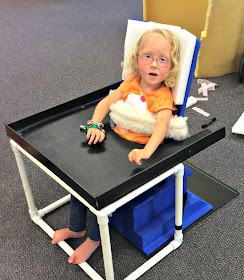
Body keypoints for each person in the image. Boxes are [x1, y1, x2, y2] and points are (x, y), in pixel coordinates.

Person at [52, 28, 180, 264]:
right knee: (79, 180)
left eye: (162, 59)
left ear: (170, 67)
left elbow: (162, 127)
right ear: (135, 60)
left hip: (134, 154)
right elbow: (105, 103)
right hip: (112, 143)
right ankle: (76, 228)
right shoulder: (130, 84)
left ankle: (93, 239)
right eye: (148, 56)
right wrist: (94, 126)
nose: (154, 64)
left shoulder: (163, 97)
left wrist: (146, 151)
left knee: (104, 195)